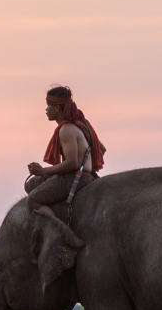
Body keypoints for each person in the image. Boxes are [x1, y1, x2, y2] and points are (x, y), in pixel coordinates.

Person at [25, 85, 105, 248]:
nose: (46, 110)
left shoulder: (67, 130)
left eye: (48, 106)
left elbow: (72, 163)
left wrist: (42, 171)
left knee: (33, 200)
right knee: (31, 184)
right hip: (85, 174)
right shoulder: (81, 124)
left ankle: (60, 238)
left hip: (77, 177)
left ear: (57, 108)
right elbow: (101, 149)